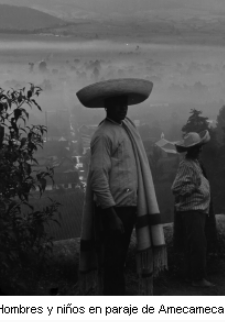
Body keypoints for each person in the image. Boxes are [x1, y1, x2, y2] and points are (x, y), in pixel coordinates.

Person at [77, 78, 167, 295]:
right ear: (107, 106)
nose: (123, 108)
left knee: (118, 261)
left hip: (128, 208)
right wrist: (111, 214)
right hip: (114, 211)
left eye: (125, 103)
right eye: (117, 104)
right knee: (112, 263)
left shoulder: (125, 129)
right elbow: (98, 177)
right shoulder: (103, 135)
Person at [171, 130, 216, 288]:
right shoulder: (186, 165)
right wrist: (193, 187)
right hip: (191, 210)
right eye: (197, 147)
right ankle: (197, 278)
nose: (200, 149)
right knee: (197, 244)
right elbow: (177, 188)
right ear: (191, 149)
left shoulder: (194, 163)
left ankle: (191, 275)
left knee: (196, 243)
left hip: (198, 209)